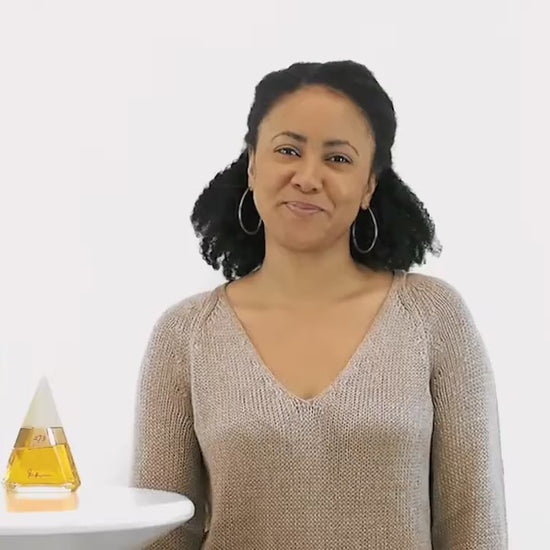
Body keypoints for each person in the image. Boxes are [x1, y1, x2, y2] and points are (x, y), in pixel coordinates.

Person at [131, 60, 508, 549]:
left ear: (370, 184)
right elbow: (160, 534)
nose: (308, 178)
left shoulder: (433, 318)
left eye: (338, 158)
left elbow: (473, 524)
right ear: (253, 164)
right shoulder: (186, 333)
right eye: (288, 150)